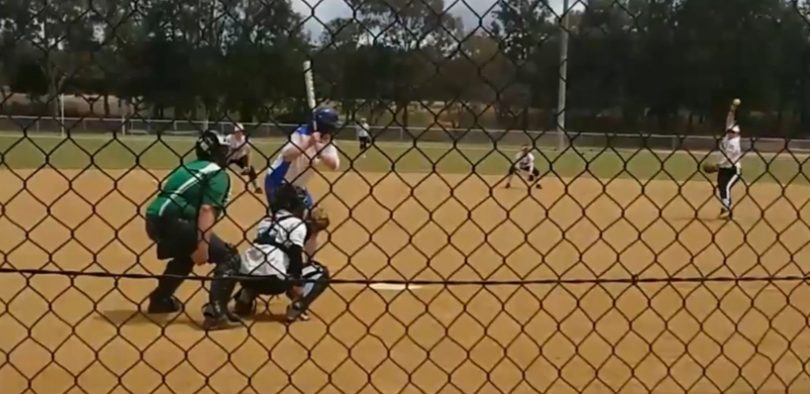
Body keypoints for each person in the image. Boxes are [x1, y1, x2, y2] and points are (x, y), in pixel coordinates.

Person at [143, 129, 242, 330]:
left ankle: (160, 300)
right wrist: (203, 246)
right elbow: (207, 209)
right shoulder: (217, 172)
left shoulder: (188, 167)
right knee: (229, 256)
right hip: (175, 221)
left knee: (185, 254)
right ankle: (216, 312)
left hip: (154, 220)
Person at [233, 183, 331, 322]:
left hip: (246, 278)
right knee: (321, 271)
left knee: (263, 261)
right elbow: (295, 254)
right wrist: (297, 283)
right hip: (275, 282)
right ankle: (297, 307)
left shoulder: (266, 221)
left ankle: (244, 298)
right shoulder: (296, 224)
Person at [265, 107, 340, 260]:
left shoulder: (327, 140)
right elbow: (287, 155)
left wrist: (321, 149)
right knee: (286, 224)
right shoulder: (301, 133)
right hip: (279, 182)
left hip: (299, 187)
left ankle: (308, 265)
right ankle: (278, 260)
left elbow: (334, 165)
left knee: (315, 223)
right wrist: (309, 142)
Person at [716, 100, 743, 219]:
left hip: (733, 169)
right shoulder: (728, 136)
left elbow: (729, 159)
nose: (730, 132)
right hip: (723, 168)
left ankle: (728, 209)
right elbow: (729, 120)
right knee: (721, 187)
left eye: (732, 132)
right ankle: (725, 206)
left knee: (726, 187)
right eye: (730, 131)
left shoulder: (734, 144)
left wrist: (718, 165)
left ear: (737, 134)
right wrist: (732, 110)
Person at [226, 122, 262, 194]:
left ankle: (257, 187)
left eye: (240, 131)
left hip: (241, 157)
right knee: (220, 168)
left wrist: (247, 166)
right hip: (229, 157)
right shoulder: (229, 138)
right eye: (236, 132)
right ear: (234, 132)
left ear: (242, 132)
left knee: (251, 169)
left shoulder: (245, 140)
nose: (238, 133)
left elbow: (249, 153)